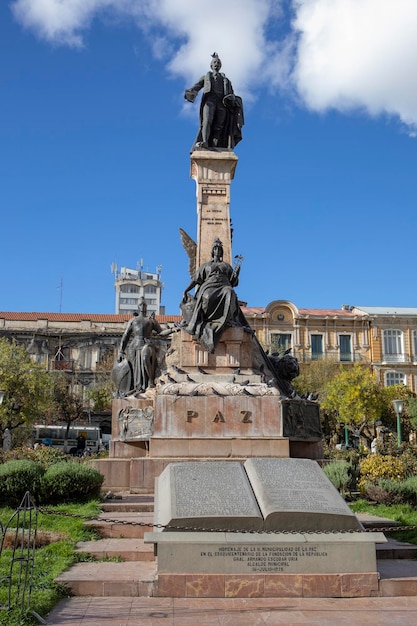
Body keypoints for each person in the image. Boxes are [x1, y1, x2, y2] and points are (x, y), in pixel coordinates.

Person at [181, 238, 244, 353]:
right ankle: (207, 320)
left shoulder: (226, 266)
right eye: (215, 248)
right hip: (209, 286)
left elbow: (233, 282)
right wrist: (186, 290)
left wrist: (237, 273)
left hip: (224, 286)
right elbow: (196, 280)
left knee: (230, 292)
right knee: (207, 296)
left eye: (219, 249)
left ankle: (227, 320)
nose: (217, 251)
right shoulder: (206, 265)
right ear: (212, 251)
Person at [184, 52, 244, 150]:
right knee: (207, 121)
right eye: (215, 62)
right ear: (211, 65)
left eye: (218, 63)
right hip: (210, 101)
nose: (217, 64)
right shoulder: (206, 77)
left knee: (219, 126)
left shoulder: (226, 80)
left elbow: (231, 93)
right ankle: (205, 142)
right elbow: (196, 86)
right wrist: (190, 93)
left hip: (222, 103)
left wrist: (232, 98)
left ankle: (216, 145)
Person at [117, 298, 164, 393]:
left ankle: (149, 383)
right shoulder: (132, 320)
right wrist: (121, 351)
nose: (142, 306)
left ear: (147, 306)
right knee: (135, 369)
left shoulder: (151, 321)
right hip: (134, 347)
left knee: (145, 361)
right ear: (138, 307)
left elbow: (162, 333)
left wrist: (173, 329)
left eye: (144, 304)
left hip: (146, 345)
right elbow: (125, 336)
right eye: (140, 304)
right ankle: (137, 388)